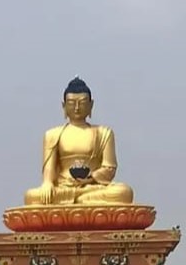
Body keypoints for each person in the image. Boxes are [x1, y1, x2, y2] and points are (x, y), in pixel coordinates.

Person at [24, 77, 134, 206]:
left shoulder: (104, 133)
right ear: (64, 106)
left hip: (92, 187)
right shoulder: (52, 134)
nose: (76, 108)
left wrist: (90, 178)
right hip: (63, 188)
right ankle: (83, 201)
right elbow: (49, 170)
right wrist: (47, 184)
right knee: (32, 196)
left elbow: (109, 168)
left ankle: (79, 200)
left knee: (124, 192)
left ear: (91, 105)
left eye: (82, 103)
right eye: (71, 103)